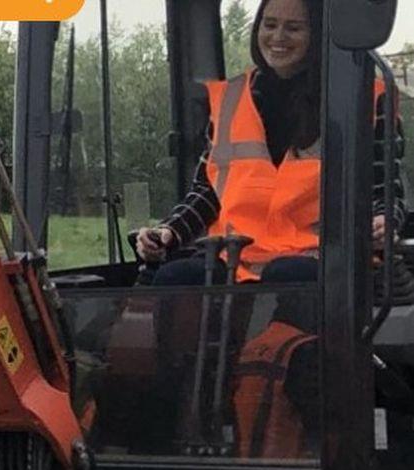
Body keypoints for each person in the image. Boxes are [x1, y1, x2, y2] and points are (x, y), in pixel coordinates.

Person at [136, 0, 405, 286]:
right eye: (270, 24)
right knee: (174, 278)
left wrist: (384, 221)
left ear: (319, 34)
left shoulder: (362, 98)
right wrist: (170, 231)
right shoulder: (230, 99)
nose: (277, 37)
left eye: (293, 27)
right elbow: (207, 191)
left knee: (287, 277)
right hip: (235, 259)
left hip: (322, 260)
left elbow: (386, 193)